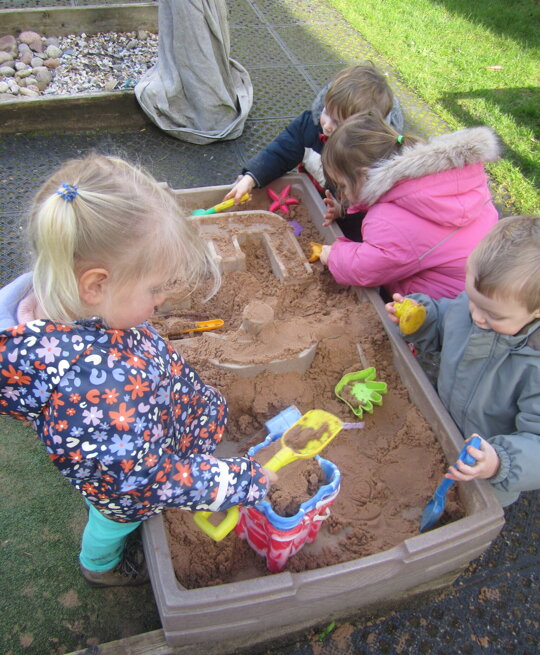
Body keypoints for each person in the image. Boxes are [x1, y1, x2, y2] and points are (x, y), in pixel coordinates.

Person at [0, 153, 276, 587]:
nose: (162, 300)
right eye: (154, 289)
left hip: (149, 428)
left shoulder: (64, 301)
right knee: (113, 522)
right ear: (96, 285)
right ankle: (99, 567)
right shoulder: (91, 397)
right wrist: (241, 481)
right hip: (124, 486)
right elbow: (144, 480)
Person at [385, 216, 540, 508]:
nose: (477, 317)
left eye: (493, 315)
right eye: (472, 299)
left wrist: (499, 462)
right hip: (441, 423)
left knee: (473, 504)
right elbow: (446, 323)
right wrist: (423, 319)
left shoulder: (534, 366)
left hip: (485, 465)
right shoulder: (474, 308)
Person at [318, 110, 501, 299]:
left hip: (448, 302)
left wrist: (334, 256)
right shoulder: (440, 176)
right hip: (483, 278)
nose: (342, 194)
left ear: (364, 176)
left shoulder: (390, 221)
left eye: (343, 186)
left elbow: (367, 268)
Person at [224, 62, 404, 239]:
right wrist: (250, 178)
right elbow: (280, 152)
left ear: (361, 132)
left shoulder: (370, 161)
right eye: (327, 112)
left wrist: (342, 211)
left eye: (338, 123)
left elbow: (369, 209)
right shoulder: (310, 126)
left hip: (345, 219)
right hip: (309, 194)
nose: (327, 125)